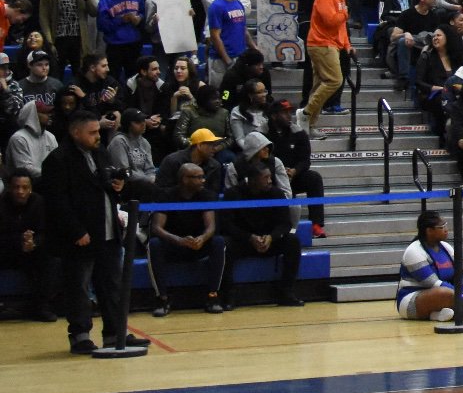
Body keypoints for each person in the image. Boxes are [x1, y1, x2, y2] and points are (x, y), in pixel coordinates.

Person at [43, 112, 146, 354]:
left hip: (107, 231)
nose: (97, 136)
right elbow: (57, 201)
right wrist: (76, 230)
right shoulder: (57, 160)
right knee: (79, 288)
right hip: (80, 236)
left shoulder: (100, 153)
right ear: (75, 132)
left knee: (112, 286)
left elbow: (104, 186)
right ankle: (80, 336)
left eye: (98, 131)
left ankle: (115, 334)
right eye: (92, 132)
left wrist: (117, 186)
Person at [145, 163, 229, 316]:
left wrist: (202, 239)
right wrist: (178, 240)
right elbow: (157, 227)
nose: (203, 180)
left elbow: (211, 226)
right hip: (174, 244)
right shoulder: (166, 196)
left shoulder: (207, 195)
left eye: (203, 177)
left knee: (218, 242)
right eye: (198, 177)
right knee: (154, 244)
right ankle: (162, 298)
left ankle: (213, 296)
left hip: (197, 245)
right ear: (185, 179)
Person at [221, 163, 304, 307]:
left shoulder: (276, 193)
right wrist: (249, 237)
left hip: (269, 241)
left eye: (270, 177)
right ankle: (228, 294)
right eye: (265, 178)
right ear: (252, 180)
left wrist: (271, 237)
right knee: (223, 244)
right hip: (243, 242)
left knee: (292, 241)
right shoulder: (233, 194)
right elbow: (226, 225)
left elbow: (285, 224)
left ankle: (286, 291)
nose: (270, 181)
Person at [0, 169, 58, 322]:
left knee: (50, 258)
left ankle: (43, 306)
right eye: (16, 187)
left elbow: (45, 231)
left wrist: (33, 243)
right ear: (9, 188)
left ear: (31, 188)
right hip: (8, 251)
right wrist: (20, 241)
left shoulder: (39, 202)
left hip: (33, 251)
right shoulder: (2, 204)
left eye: (24, 187)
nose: (20, 191)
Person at [303, 0, 351, 139]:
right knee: (334, 80)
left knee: (318, 85)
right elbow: (331, 21)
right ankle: (305, 113)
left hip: (331, 44)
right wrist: (345, 13)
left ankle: (309, 126)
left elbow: (341, 26)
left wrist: (347, 44)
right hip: (321, 43)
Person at [396, 210, 460, 321]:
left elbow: (458, 276)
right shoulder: (414, 251)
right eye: (441, 227)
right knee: (445, 293)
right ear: (429, 231)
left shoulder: (447, 248)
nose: (446, 229)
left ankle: (435, 315)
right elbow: (433, 283)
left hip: (444, 293)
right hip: (411, 299)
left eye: (446, 225)